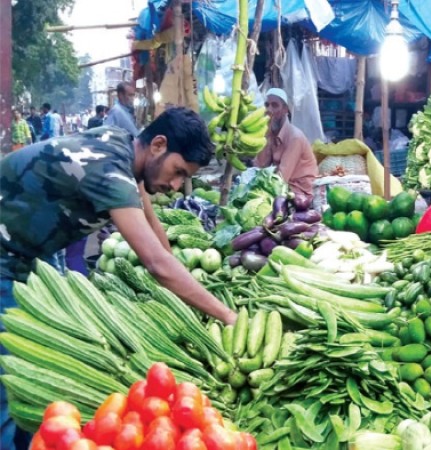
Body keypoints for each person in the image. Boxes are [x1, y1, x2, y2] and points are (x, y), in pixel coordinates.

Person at [0, 107, 240, 450]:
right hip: (6, 249)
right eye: (177, 172)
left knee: (36, 357)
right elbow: (155, 262)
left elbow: (157, 236)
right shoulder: (110, 168)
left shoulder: (126, 151)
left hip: (33, 246)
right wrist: (227, 315)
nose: (174, 186)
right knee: (11, 373)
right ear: (158, 145)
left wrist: (185, 294)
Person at [254, 88, 319, 196]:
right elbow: (261, 165)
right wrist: (265, 134)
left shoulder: (295, 137)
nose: (269, 109)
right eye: (267, 105)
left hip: (299, 190)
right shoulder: (271, 132)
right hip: (281, 186)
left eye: (275, 105)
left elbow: (282, 178)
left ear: (285, 110)